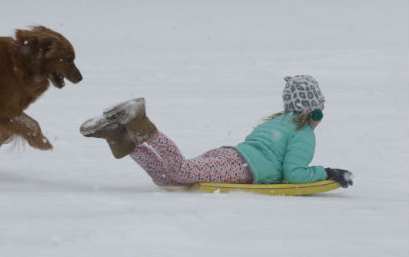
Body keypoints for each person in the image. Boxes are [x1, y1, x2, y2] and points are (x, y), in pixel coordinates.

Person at [80, 75, 354, 187]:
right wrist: (327, 173)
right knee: (181, 173)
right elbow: (294, 174)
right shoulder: (303, 133)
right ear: (314, 111)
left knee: (168, 181)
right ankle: (143, 126)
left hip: (229, 154)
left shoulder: (276, 121)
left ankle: (121, 136)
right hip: (243, 169)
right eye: (321, 108)